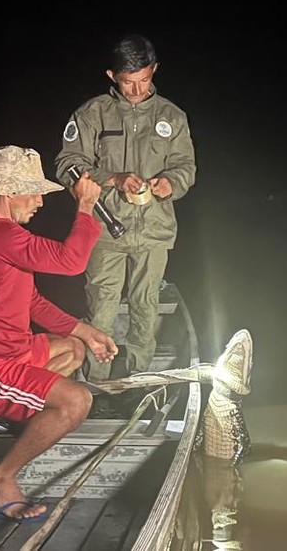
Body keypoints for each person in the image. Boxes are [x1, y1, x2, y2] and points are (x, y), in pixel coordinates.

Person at [0, 144, 119, 522]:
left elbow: (32, 302)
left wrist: (86, 331)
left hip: (14, 352)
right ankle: (0, 478)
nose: (41, 202)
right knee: (76, 402)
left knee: (73, 350)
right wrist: (87, 207)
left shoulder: (3, 234)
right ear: (10, 193)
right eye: (36, 192)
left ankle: (24, 414)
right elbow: (72, 261)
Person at [55, 33, 197, 381]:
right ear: (111, 76)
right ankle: (97, 383)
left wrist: (170, 183)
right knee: (101, 307)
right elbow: (66, 164)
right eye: (128, 82)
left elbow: (186, 167)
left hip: (154, 229)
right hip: (103, 229)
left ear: (155, 70)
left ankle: (137, 381)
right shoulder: (92, 114)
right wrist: (114, 178)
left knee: (145, 305)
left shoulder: (172, 116)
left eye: (145, 79)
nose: (136, 90)